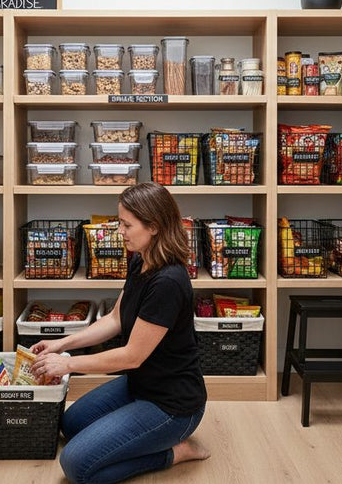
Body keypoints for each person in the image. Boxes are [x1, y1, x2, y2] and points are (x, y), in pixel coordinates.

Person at [31, 182, 209, 484]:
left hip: (172, 406)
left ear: (154, 226)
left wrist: (68, 364)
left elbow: (131, 356)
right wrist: (62, 344)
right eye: (119, 222)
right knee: (71, 425)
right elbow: (115, 319)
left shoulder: (168, 282)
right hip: (140, 385)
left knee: (75, 466)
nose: (120, 231)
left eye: (127, 225)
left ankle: (175, 452)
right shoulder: (141, 258)